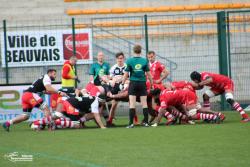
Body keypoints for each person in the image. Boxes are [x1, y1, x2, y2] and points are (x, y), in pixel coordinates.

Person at [2, 69, 67, 132]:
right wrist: (59, 92)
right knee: (46, 108)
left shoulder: (43, 78)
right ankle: (49, 125)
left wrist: (58, 93)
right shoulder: (47, 78)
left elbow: (46, 91)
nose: (55, 76)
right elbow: (48, 88)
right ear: (49, 73)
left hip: (25, 96)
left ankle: (7, 123)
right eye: (54, 74)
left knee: (25, 116)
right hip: (30, 95)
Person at [150, 89, 222, 127]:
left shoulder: (162, 97)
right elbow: (179, 104)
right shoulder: (165, 92)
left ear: (156, 95)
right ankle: (217, 114)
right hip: (188, 94)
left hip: (187, 96)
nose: (153, 98)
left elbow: (162, 110)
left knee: (192, 115)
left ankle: (214, 117)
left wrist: (156, 123)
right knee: (199, 110)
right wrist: (185, 114)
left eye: (153, 96)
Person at [122, 44, 153, 128]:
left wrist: (122, 83)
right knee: (144, 103)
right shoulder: (144, 61)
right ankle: (146, 122)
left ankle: (131, 123)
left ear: (133, 51)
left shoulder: (129, 61)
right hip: (142, 83)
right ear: (141, 51)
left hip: (133, 83)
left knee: (132, 104)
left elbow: (125, 74)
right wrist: (152, 84)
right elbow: (149, 75)